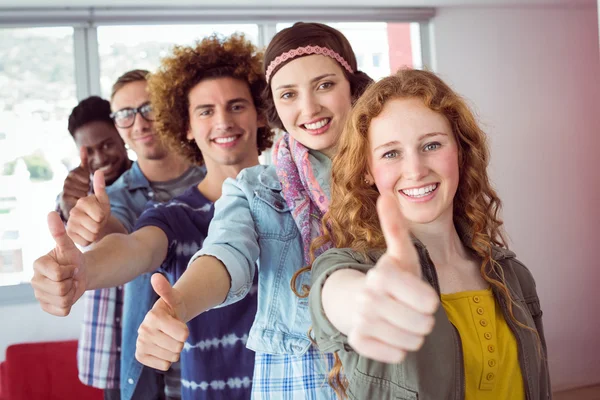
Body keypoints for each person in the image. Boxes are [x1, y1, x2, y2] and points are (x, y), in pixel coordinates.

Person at [134, 22, 372, 399]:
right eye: (288, 94)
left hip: (393, 369)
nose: (309, 108)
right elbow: (227, 254)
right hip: (299, 379)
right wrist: (181, 303)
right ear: (274, 106)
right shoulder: (255, 188)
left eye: (324, 85)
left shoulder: (393, 170)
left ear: (353, 88)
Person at [31, 33, 270, 400]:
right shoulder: (174, 216)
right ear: (187, 125)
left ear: (259, 114)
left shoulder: (297, 201)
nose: (222, 121)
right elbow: (133, 247)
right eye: (205, 110)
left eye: (237, 106)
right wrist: (85, 270)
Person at [307, 69, 551, 399]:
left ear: (461, 152)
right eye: (391, 153)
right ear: (367, 171)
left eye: (432, 145)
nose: (416, 170)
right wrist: (358, 302)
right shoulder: (359, 270)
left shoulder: (515, 277)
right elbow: (334, 290)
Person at [32, 69, 205, 400]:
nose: (139, 123)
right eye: (125, 114)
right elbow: (118, 233)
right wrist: (81, 225)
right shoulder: (116, 194)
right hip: (138, 360)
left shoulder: (214, 180)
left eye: (149, 107)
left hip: (219, 355)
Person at [57, 95, 131, 222]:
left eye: (107, 145)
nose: (100, 159)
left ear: (122, 137)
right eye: (89, 151)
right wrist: (69, 212)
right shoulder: (74, 195)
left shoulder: (152, 178)